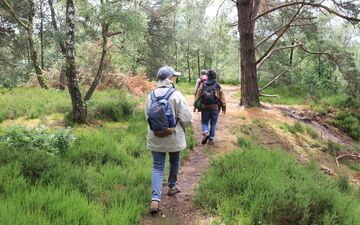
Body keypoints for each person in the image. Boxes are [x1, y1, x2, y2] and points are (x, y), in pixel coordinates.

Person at [145, 66, 193, 214]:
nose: (175, 78)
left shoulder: (151, 95)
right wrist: (184, 127)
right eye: (174, 76)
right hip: (174, 137)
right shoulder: (176, 94)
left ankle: (155, 199)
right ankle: (172, 187)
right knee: (174, 161)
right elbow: (187, 118)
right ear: (169, 78)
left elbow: (147, 116)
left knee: (157, 166)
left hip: (155, 136)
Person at [194, 70, 226, 145]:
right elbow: (222, 98)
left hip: (205, 107)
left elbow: (197, 96)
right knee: (213, 123)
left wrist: (195, 105)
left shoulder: (203, 84)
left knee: (204, 122)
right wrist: (224, 107)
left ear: (207, 76)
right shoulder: (217, 85)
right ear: (215, 77)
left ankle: (205, 133)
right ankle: (211, 139)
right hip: (215, 108)